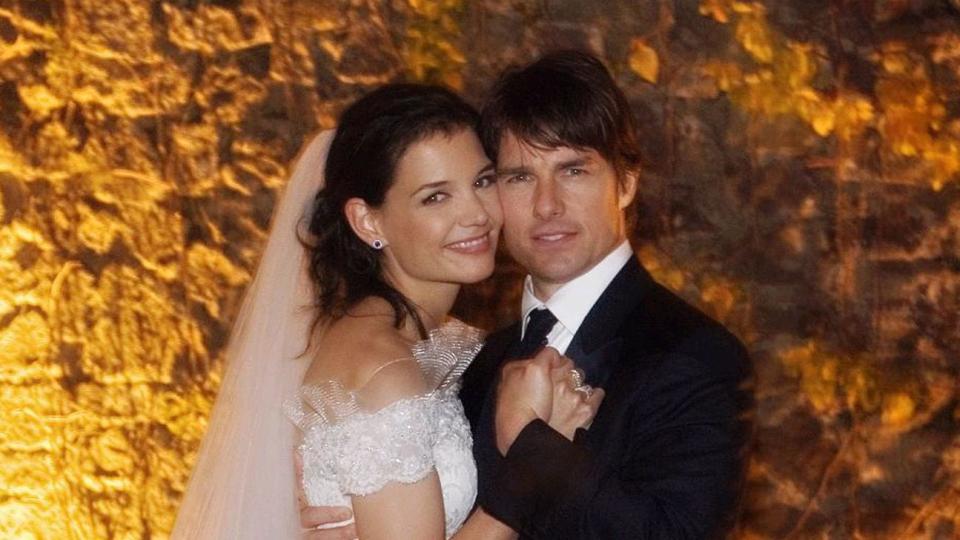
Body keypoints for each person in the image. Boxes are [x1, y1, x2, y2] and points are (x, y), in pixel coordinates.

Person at [305, 51, 754, 538]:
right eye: (518, 177)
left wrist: (530, 444)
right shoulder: (470, 361)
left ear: (625, 182)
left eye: (573, 171)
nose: (547, 206)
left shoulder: (695, 356)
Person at [171, 84, 601, 539]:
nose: (476, 214)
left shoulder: (409, 341)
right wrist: (533, 466)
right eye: (436, 197)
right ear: (368, 221)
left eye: (482, 181)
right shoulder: (386, 371)